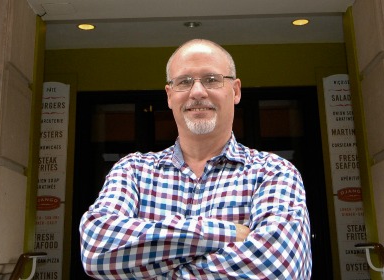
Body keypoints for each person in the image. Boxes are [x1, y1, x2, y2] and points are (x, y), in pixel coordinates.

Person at [79, 39, 312, 279]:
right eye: (184, 82)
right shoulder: (133, 171)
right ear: (169, 96)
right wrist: (224, 234)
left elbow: (277, 269)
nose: (198, 92)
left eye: (211, 79)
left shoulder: (273, 172)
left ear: (236, 91)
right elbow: (97, 247)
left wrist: (154, 267)